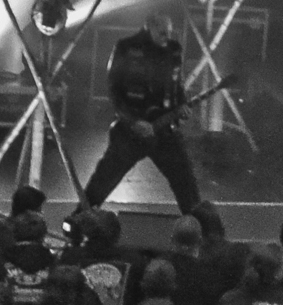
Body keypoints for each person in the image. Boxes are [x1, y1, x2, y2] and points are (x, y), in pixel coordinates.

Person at [82, 14, 201, 212]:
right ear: (149, 27)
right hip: (131, 132)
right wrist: (132, 121)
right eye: (162, 32)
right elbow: (114, 89)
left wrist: (181, 105)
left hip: (165, 131)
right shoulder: (126, 48)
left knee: (186, 183)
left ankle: (199, 225)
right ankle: (80, 220)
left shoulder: (173, 50)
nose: (166, 37)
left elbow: (177, 85)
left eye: (169, 32)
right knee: (102, 182)